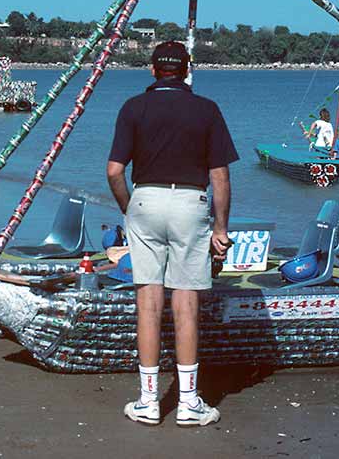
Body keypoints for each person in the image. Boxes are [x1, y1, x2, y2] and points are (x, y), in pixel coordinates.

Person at [106, 41, 238, 427]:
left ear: (152, 70)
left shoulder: (134, 107)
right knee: (186, 306)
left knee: (147, 303)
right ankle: (188, 403)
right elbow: (221, 176)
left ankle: (148, 402)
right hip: (189, 204)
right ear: (187, 70)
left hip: (145, 199)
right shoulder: (206, 110)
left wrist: (129, 209)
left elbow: (115, 171)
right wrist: (221, 228)